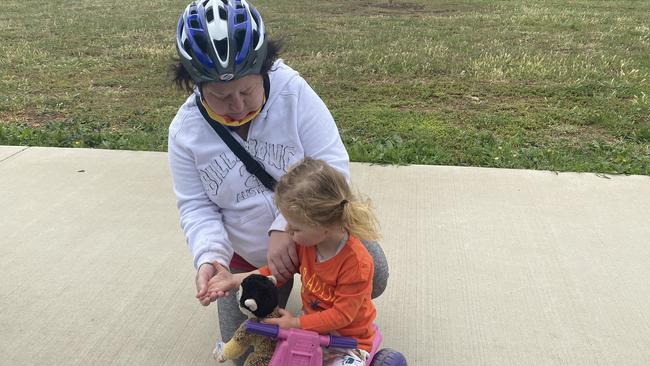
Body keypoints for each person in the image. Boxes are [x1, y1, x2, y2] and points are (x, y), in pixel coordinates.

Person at [167, 1, 389, 363]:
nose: (236, 106)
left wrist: (285, 227)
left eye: (247, 91)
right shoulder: (184, 131)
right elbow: (196, 206)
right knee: (245, 354)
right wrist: (211, 258)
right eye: (221, 97)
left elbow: (332, 166)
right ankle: (303, 291)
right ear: (196, 85)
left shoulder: (293, 91)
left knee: (372, 272)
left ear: (265, 69)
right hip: (250, 254)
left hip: (311, 233)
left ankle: (320, 293)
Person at [209, 157, 379, 366]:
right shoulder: (305, 244)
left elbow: (342, 315)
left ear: (324, 226)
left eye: (295, 228)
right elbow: (274, 273)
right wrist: (236, 280)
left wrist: (296, 323)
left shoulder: (356, 264)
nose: (287, 231)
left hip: (347, 342)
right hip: (311, 331)